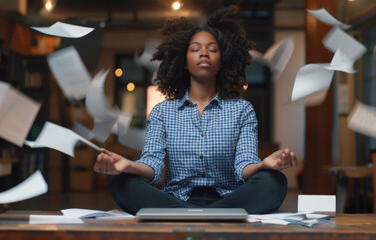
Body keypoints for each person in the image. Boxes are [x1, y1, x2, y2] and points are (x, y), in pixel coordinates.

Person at [94, 6, 297, 215]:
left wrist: (264, 164)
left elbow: (245, 165)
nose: (203, 52)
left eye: (212, 49)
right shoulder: (162, 112)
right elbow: (151, 165)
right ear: (184, 61)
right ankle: (215, 216)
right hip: (176, 198)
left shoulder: (242, 110)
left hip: (228, 197)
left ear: (222, 60)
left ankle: (190, 215)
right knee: (122, 183)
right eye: (195, 48)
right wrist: (126, 165)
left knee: (273, 181)